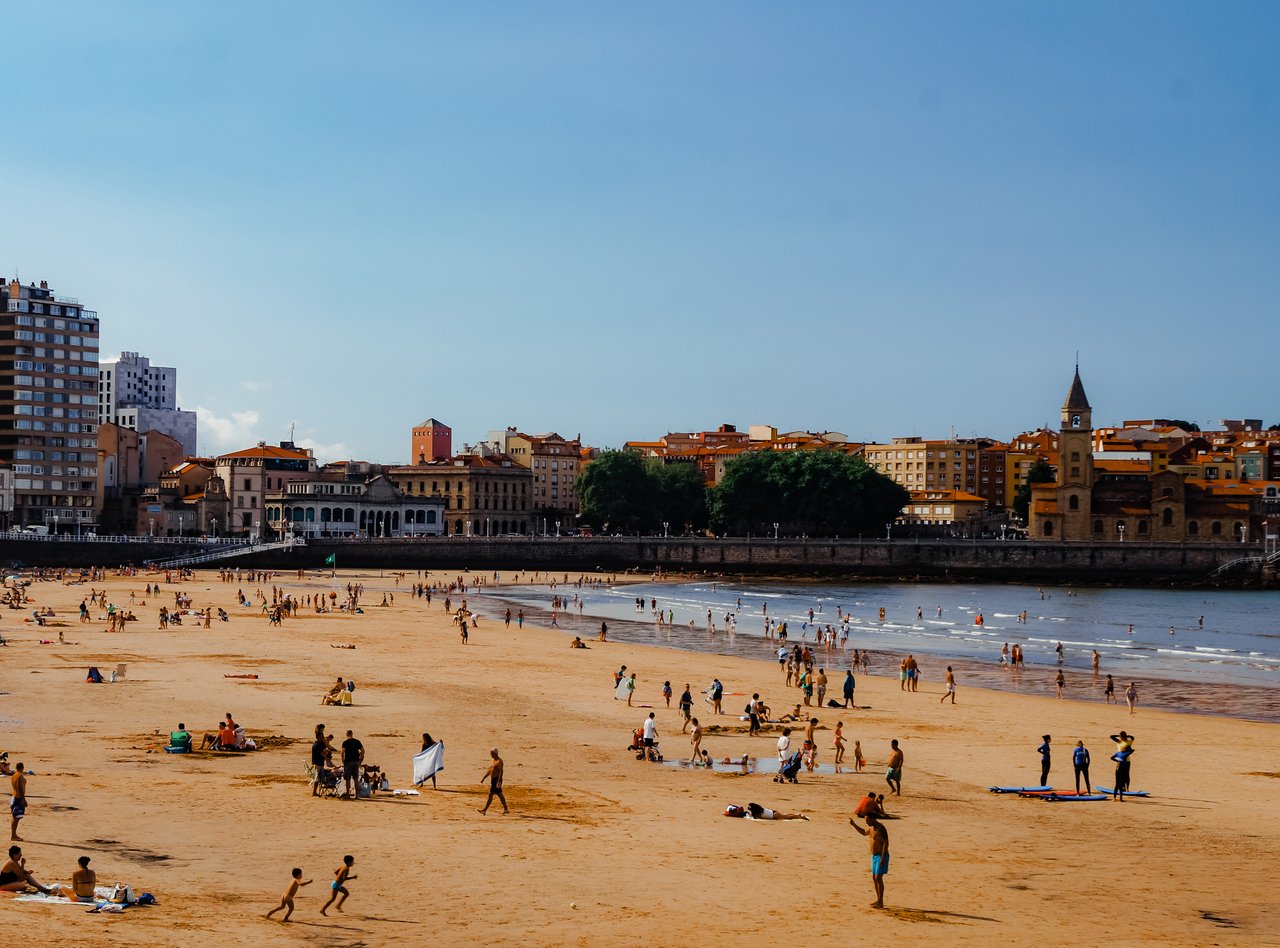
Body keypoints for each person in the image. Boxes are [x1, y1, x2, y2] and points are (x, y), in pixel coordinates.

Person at [850, 813, 890, 908]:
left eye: (867, 820)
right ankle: (878, 900)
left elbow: (886, 843)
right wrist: (854, 825)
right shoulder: (872, 828)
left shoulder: (881, 828)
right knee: (874, 878)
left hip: (881, 856)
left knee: (878, 878)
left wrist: (883, 858)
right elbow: (864, 832)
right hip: (874, 856)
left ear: (873, 819)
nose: (866, 822)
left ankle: (881, 902)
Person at [479, 747, 508, 814]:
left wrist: (499, 781)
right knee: (500, 794)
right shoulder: (494, 760)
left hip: (496, 780)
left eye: (491, 753)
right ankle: (506, 809)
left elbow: (501, 772)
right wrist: (484, 778)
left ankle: (484, 810)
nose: (490, 755)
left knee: (491, 794)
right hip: (493, 780)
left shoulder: (499, 761)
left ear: (494, 753)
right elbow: (490, 770)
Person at [1110, 731, 1135, 801]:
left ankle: (1127, 788)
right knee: (1119, 781)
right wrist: (1118, 736)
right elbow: (1111, 736)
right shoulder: (1119, 741)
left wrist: (1127, 736)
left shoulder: (1128, 742)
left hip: (1127, 761)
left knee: (1126, 775)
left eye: (1121, 736)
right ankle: (1117, 795)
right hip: (1120, 761)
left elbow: (1133, 738)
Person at [340, 730, 364, 799]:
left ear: (346, 734)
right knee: (356, 779)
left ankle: (348, 794)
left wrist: (343, 760)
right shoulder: (357, 741)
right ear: (352, 734)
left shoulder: (345, 742)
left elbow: (342, 752)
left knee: (348, 779)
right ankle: (357, 795)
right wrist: (360, 760)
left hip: (348, 762)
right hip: (356, 762)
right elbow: (363, 751)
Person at [10, 763, 27, 841]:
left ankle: (14, 835)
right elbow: (20, 788)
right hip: (19, 798)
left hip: (14, 797)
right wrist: (24, 800)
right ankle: (13, 835)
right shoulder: (20, 776)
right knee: (16, 818)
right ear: (22, 767)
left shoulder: (14, 775)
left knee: (15, 817)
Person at [310, 725, 328, 796]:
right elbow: (323, 754)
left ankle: (317, 791)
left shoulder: (320, 744)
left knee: (320, 778)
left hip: (320, 763)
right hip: (317, 763)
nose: (322, 738)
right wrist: (325, 752)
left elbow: (325, 750)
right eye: (321, 737)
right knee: (317, 778)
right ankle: (314, 792)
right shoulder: (317, 745)